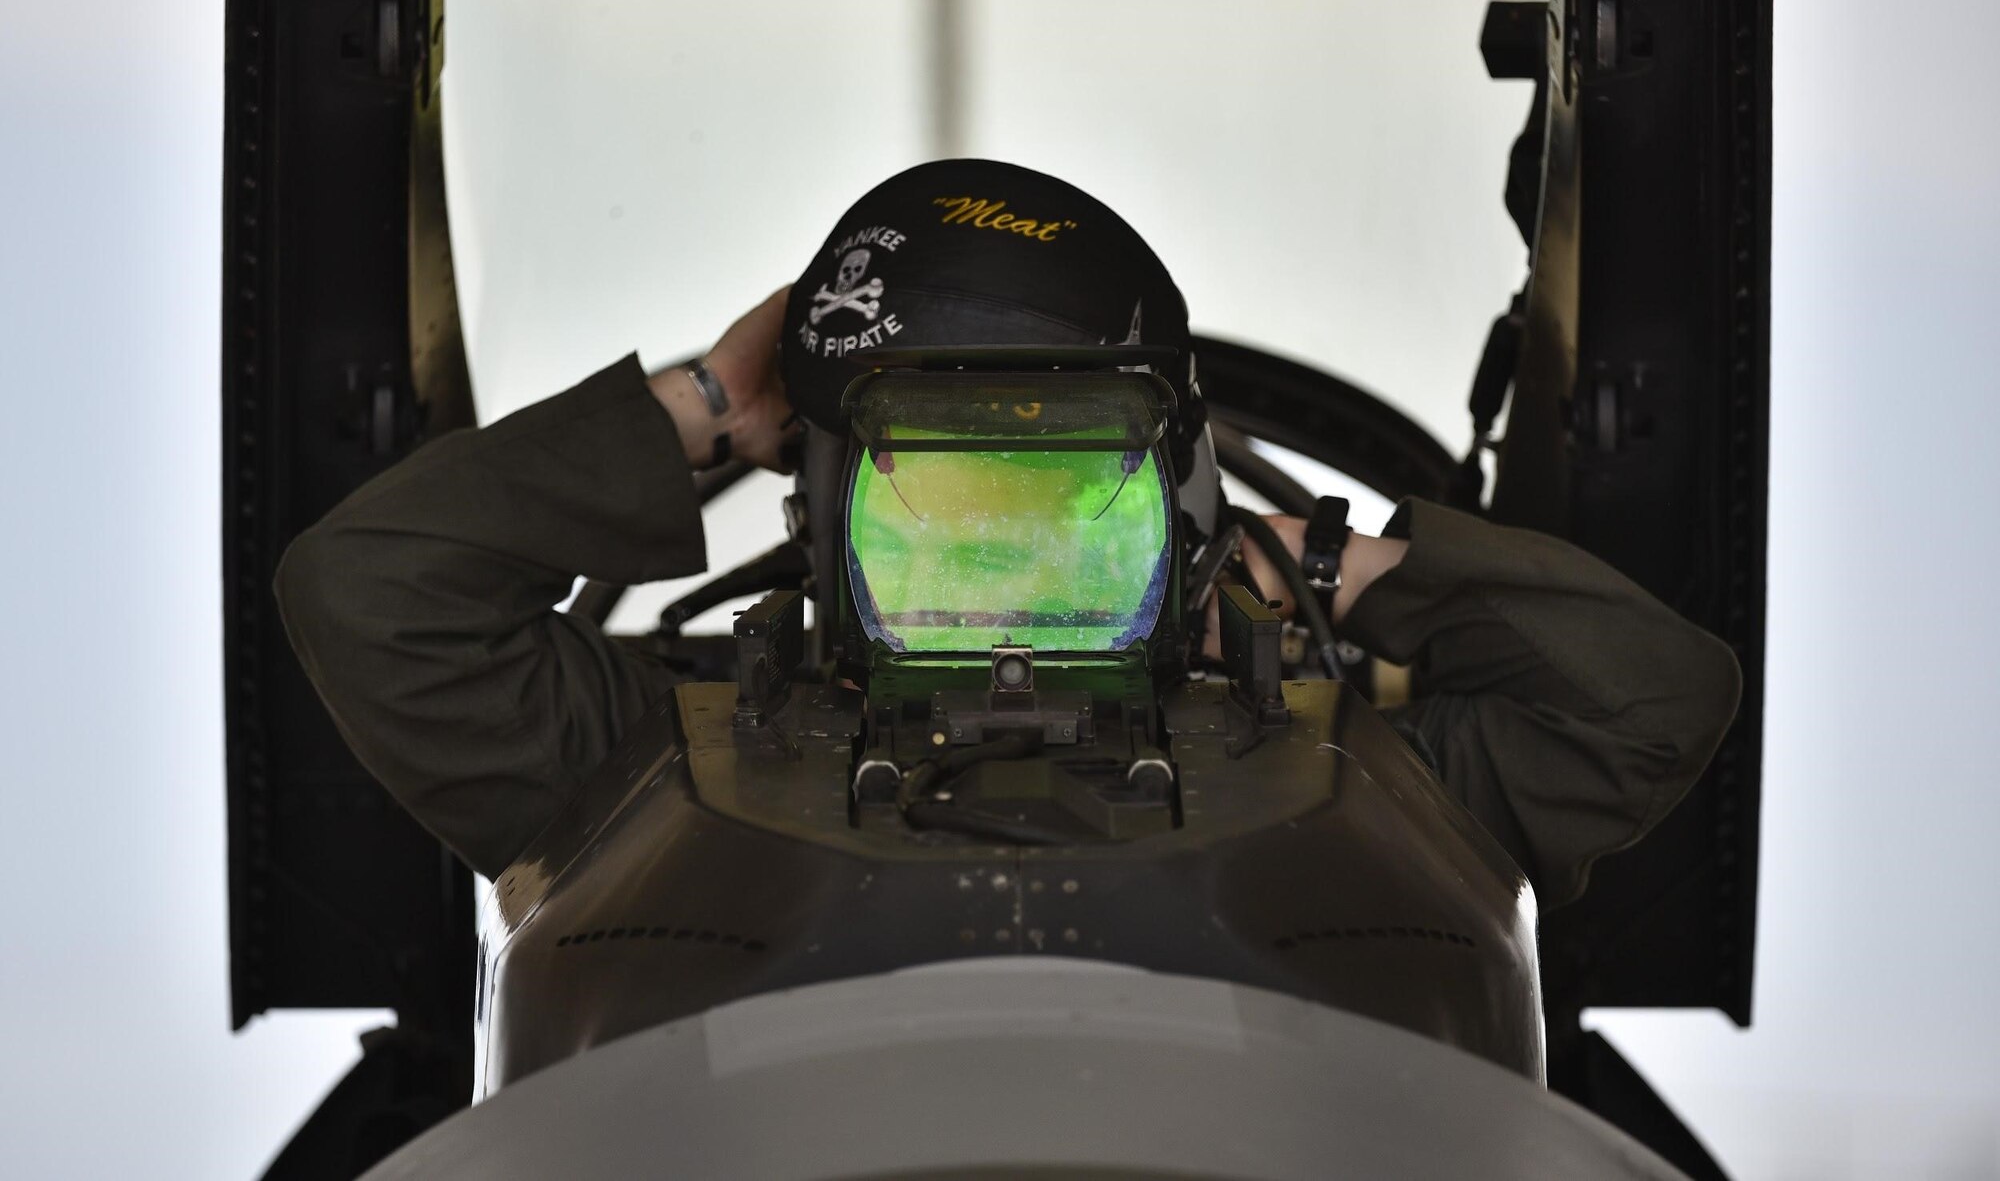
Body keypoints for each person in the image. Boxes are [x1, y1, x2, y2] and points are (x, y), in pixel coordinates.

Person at [276, 159, 1741, 908]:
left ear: (1179, 525)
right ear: (821, 521)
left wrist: (1318, 567)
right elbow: (371, 593)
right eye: (948, 528)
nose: (1007, 584)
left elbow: (1654, 696)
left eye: (1066, 524)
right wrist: (719, 401)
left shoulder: (1355, 768)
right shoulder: (644, 760)